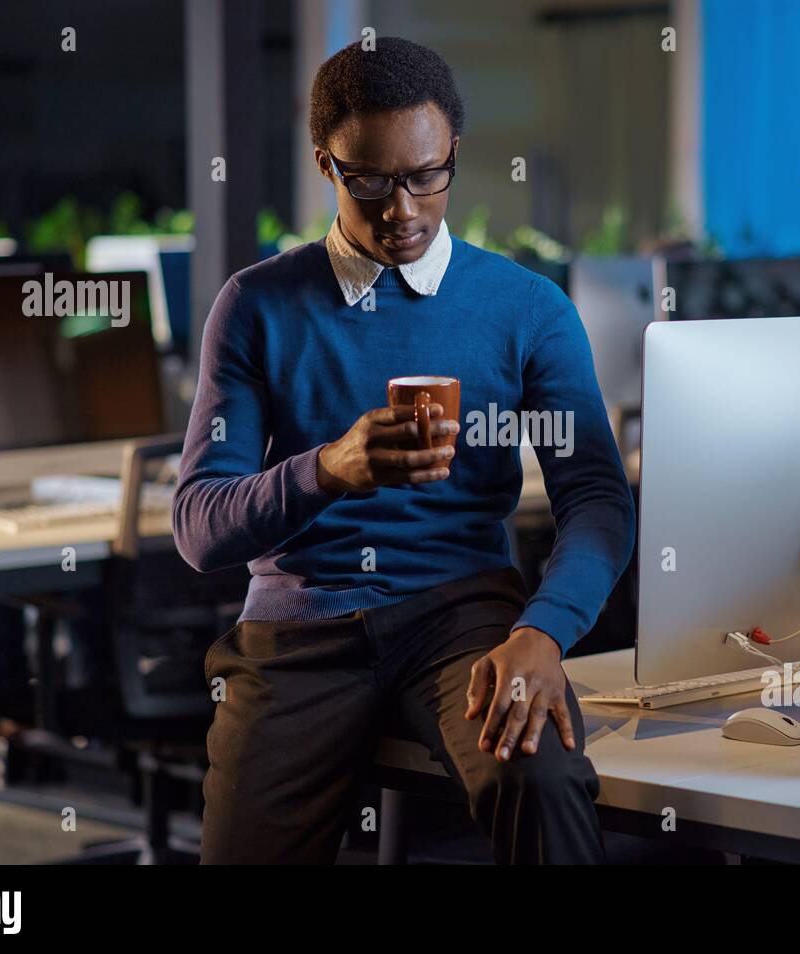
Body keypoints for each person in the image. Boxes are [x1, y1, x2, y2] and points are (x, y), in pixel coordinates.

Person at [174, 36, 635, 864]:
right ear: (327, 164)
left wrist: (546, 633)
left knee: (544, 780)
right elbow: (200, 529)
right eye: (373, 181)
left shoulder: (526, 307)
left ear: (453, 152)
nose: (404, 210)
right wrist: (327, 469)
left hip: (462, 617)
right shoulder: (256, 306)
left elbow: (598, 501)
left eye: (427, 175)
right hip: (302, 627)